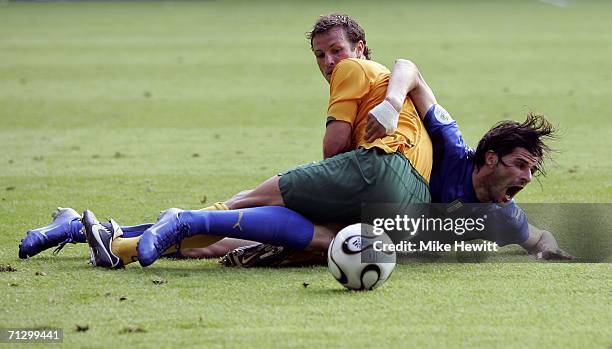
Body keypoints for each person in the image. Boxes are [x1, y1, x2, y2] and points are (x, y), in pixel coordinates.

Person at [18, 13, 433, 268]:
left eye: (335, 50)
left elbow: (332, 149)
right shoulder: (382, 82)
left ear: (359, 48)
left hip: (374, 173)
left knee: (241, 209)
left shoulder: (355, 70)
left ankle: (97, 231)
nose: (328, 63)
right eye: (320, 55)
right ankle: (91, 235)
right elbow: (411, 72)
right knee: (225, 236)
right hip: (392, 200)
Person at [218, 58, 573, 267]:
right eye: (522, 165)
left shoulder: (503, 215)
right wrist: (391, 103)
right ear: (491, 159)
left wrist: (549, 251)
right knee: (259, 220)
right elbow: (407, 67)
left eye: (531, 170)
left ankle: (267, 247)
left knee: (338, 242)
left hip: (374, 235)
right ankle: (190, 227)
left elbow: (540, 238)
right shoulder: (452, 147)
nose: (528, 177)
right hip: (368, 200)